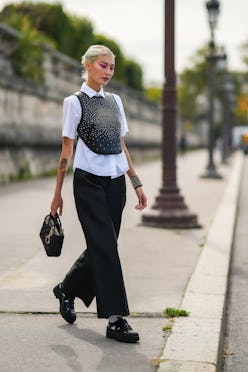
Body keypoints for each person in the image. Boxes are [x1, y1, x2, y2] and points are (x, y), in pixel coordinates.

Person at [50, 44, 147, 343]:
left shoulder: (115, 101)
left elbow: (120, 144)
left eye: (111, 67)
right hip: (88, 183)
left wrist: (135, 181)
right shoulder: (74, 103)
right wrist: (57, 195)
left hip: (116, 182)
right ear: (88, 65)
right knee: (105, 247)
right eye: (103, 65)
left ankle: (66, 288)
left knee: (102, 246)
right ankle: (116, 319)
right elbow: (67, 149)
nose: (108, 71)